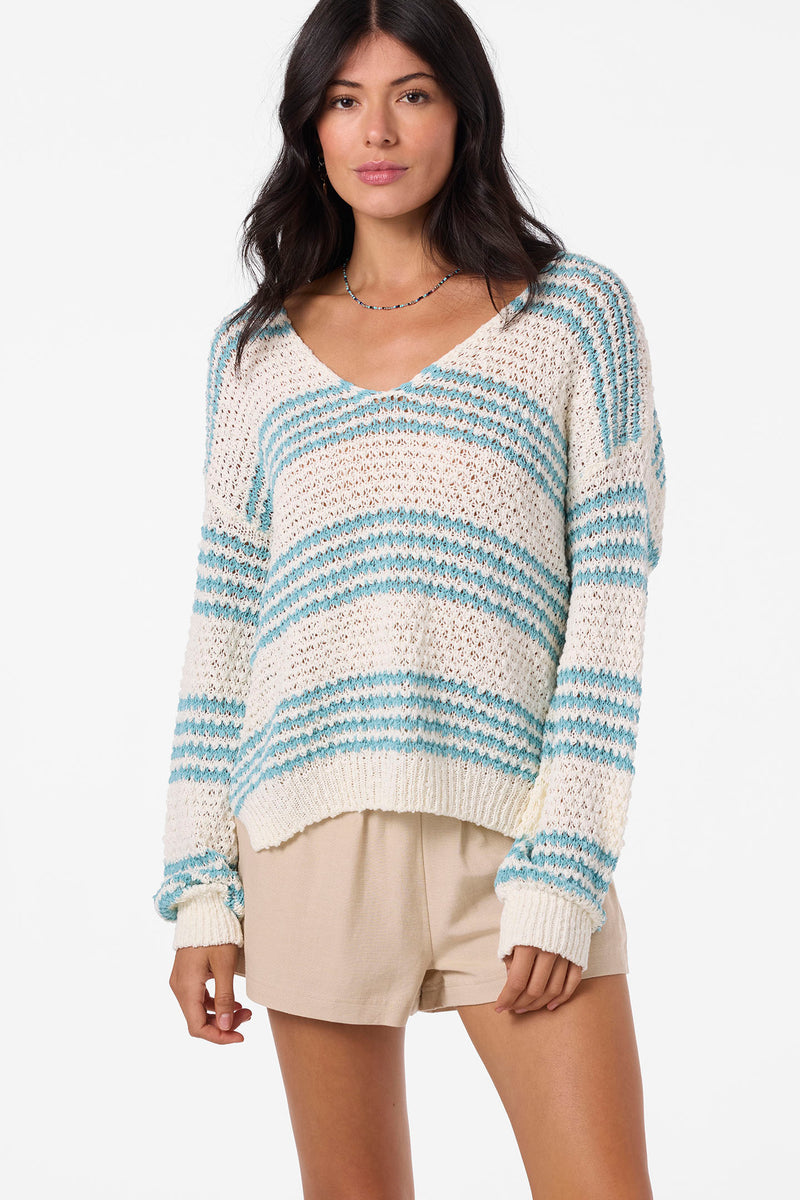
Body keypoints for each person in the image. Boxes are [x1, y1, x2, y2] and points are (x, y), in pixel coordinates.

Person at [153, 1, 666, 1195]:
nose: (375, 132)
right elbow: (223, 629)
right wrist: (198, 889)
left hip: (513, 838)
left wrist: (565, 866)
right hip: (304, 837)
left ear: (463, 112)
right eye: (344, 101)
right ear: (310, 127)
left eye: (411, 94)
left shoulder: (572, 315)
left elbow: (610, 604)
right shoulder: (254, 352)